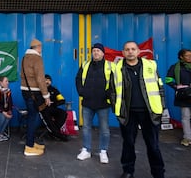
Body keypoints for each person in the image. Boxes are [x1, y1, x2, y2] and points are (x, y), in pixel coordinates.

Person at [114, 41, 165, 178]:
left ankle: (158, 172)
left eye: (133, 49)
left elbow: (160, 87)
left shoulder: (150, 65)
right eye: (127, 49)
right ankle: (128, 171)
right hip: (128, 113)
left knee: (153, 145)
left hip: (149, 112)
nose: (130, 51)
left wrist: (161, 107)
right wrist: (116, 108)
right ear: (123, 53)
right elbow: (112, 91)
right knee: (128, 143)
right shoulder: (117, 68)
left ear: (138, 51)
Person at [75, 43, 115, 164]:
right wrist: (81, 92)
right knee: (86, 128)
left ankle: (103, 151)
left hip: (103, 104)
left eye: (98, 51)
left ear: (103, 53)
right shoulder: (86, 64)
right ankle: (86, 150)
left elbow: (115, 83)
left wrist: (108, 95)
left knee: (104, 129)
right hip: (87, 103)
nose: (96, 53)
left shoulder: (110, 66)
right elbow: (78, 79)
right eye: (94, 51)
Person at [20, 38, 51, 156]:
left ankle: (31, 142)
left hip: (25, 91)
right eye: (41, 47)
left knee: (31, 117)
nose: (41, 49)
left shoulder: (24, 58)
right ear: (37, 47)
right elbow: (40, 78)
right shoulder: (37, 58)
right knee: (33, 119)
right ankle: (29, 147)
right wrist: (46, 95)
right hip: (35, 92)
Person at [165, 48, 191, 146]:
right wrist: (176, 86)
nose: (189, 57)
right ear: (181, 57)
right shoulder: (175, 67)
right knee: (185, 117)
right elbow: (168, 80)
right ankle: (187, 138)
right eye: (187, 55)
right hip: (184, 96)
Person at [40, 74, 68, 141]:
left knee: (63, 113)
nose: (47, 82)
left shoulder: (54, 90)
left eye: (49, 80)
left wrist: (54, 103)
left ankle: (54, 132)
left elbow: (62, 100)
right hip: (44, 109)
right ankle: (58, 135)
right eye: (45, 80)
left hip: (53, 108)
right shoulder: (39, 90)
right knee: (48, 118)